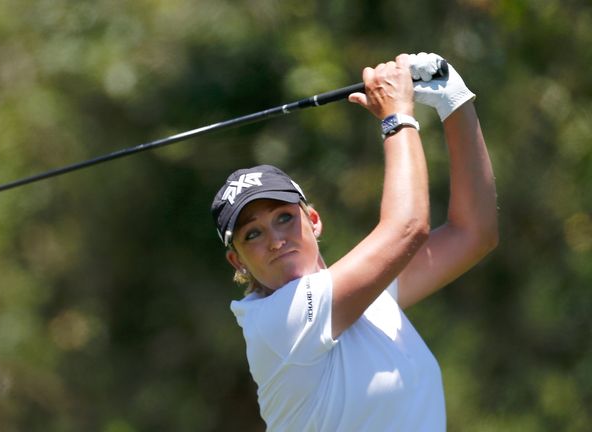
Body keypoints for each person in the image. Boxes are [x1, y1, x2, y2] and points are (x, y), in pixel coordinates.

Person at [210, 53, 498, 430]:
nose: (276, 240)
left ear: (313, 220)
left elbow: (474, 233)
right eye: (253, 234)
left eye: (284, 218)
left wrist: (454, 102)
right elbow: (408, 228)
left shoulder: (365, 298)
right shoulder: (276, 322)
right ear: (238, 261)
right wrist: (397, 117)